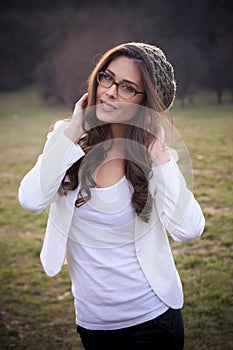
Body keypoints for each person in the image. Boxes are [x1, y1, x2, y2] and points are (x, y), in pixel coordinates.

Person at [18, 42, 205, 350]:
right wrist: (74, 129)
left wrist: (158, 153)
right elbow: (30, 199)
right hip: (93, 322)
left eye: (128, 87)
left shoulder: (154, 158)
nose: (110, 91)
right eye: (107, 77)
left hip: (152, 318)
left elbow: (190, 229)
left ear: (146, 102)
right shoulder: (66, 139)